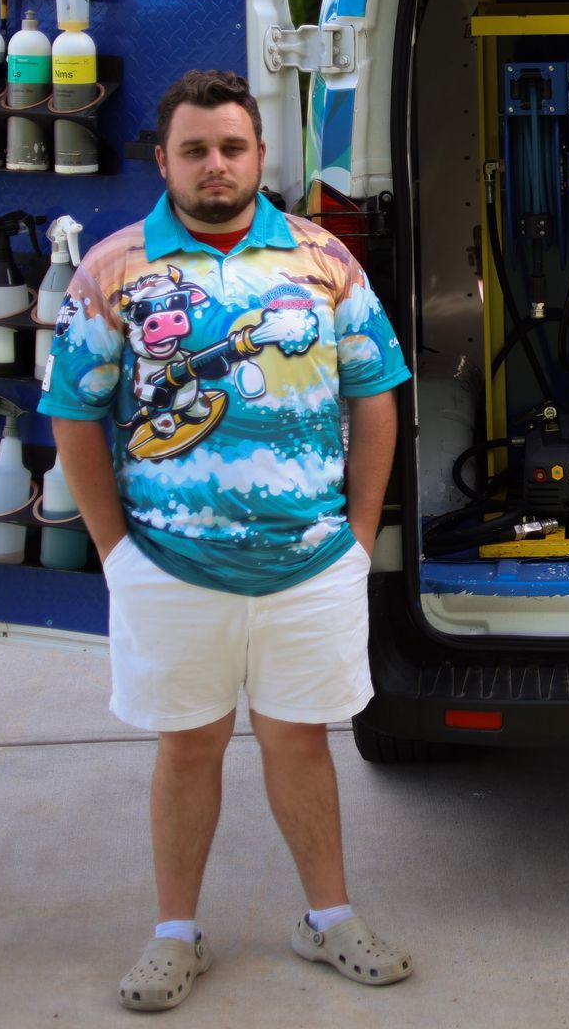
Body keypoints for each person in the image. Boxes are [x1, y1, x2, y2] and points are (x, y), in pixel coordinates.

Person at [42, 70, 415, 1012]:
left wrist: (358, 539)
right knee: (189, 747)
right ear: (163, 158)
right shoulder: (113, 270)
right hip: (170, 567)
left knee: (300, 744)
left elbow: (377, 400)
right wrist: (117, 552)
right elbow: (73, 415)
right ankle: (175, 936)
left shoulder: (323, 260)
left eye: (233, 147)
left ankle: (329, 917)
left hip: (310, 564)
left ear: (259, 155)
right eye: (196, 149)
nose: (216, 165)